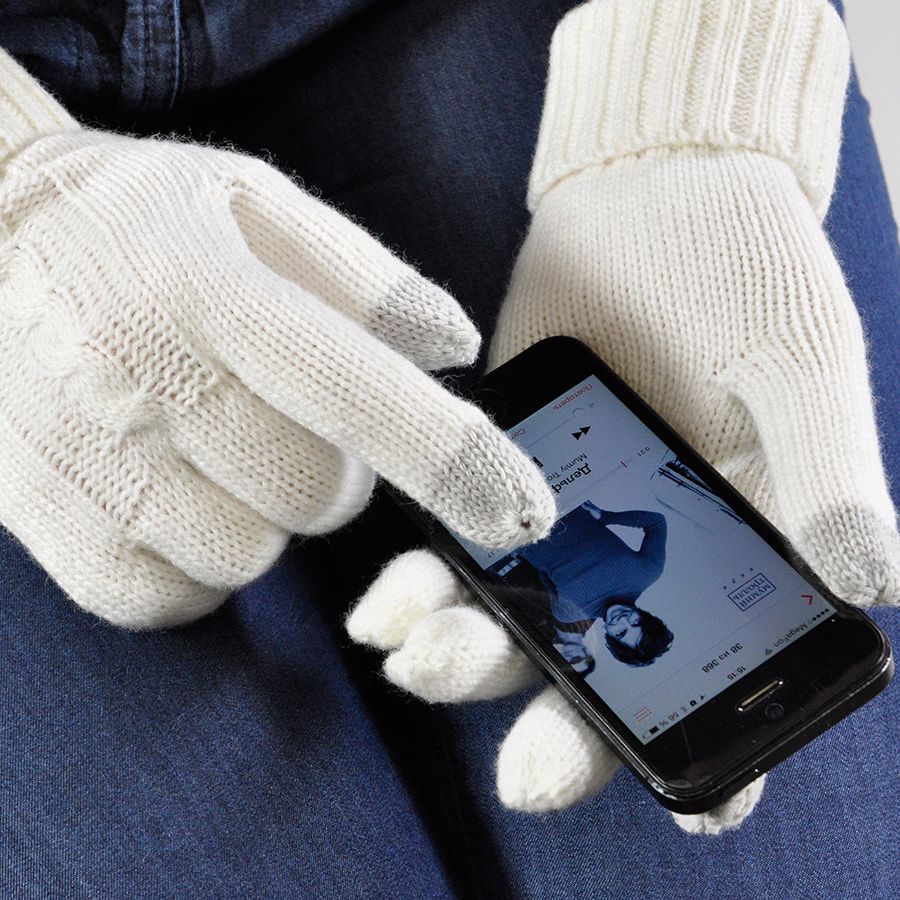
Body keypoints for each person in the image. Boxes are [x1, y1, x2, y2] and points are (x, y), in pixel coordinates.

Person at [1, 0, 899, 896]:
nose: (625, 627)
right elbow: (650, 524)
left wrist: (687, 118)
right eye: (635, 631)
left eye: (624, 636)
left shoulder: (581, 624)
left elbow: (563, 570)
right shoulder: (639, 572)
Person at [513, 503, 674, 670]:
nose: (623, 620)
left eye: (620, 632)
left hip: (518, 531)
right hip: (558, 504)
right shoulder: (648, 572)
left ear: (610, 637)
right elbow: (656, 523)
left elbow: (542, 573)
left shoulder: (568, 614)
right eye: (636, 622)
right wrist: (607, 517)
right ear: (646, 616)